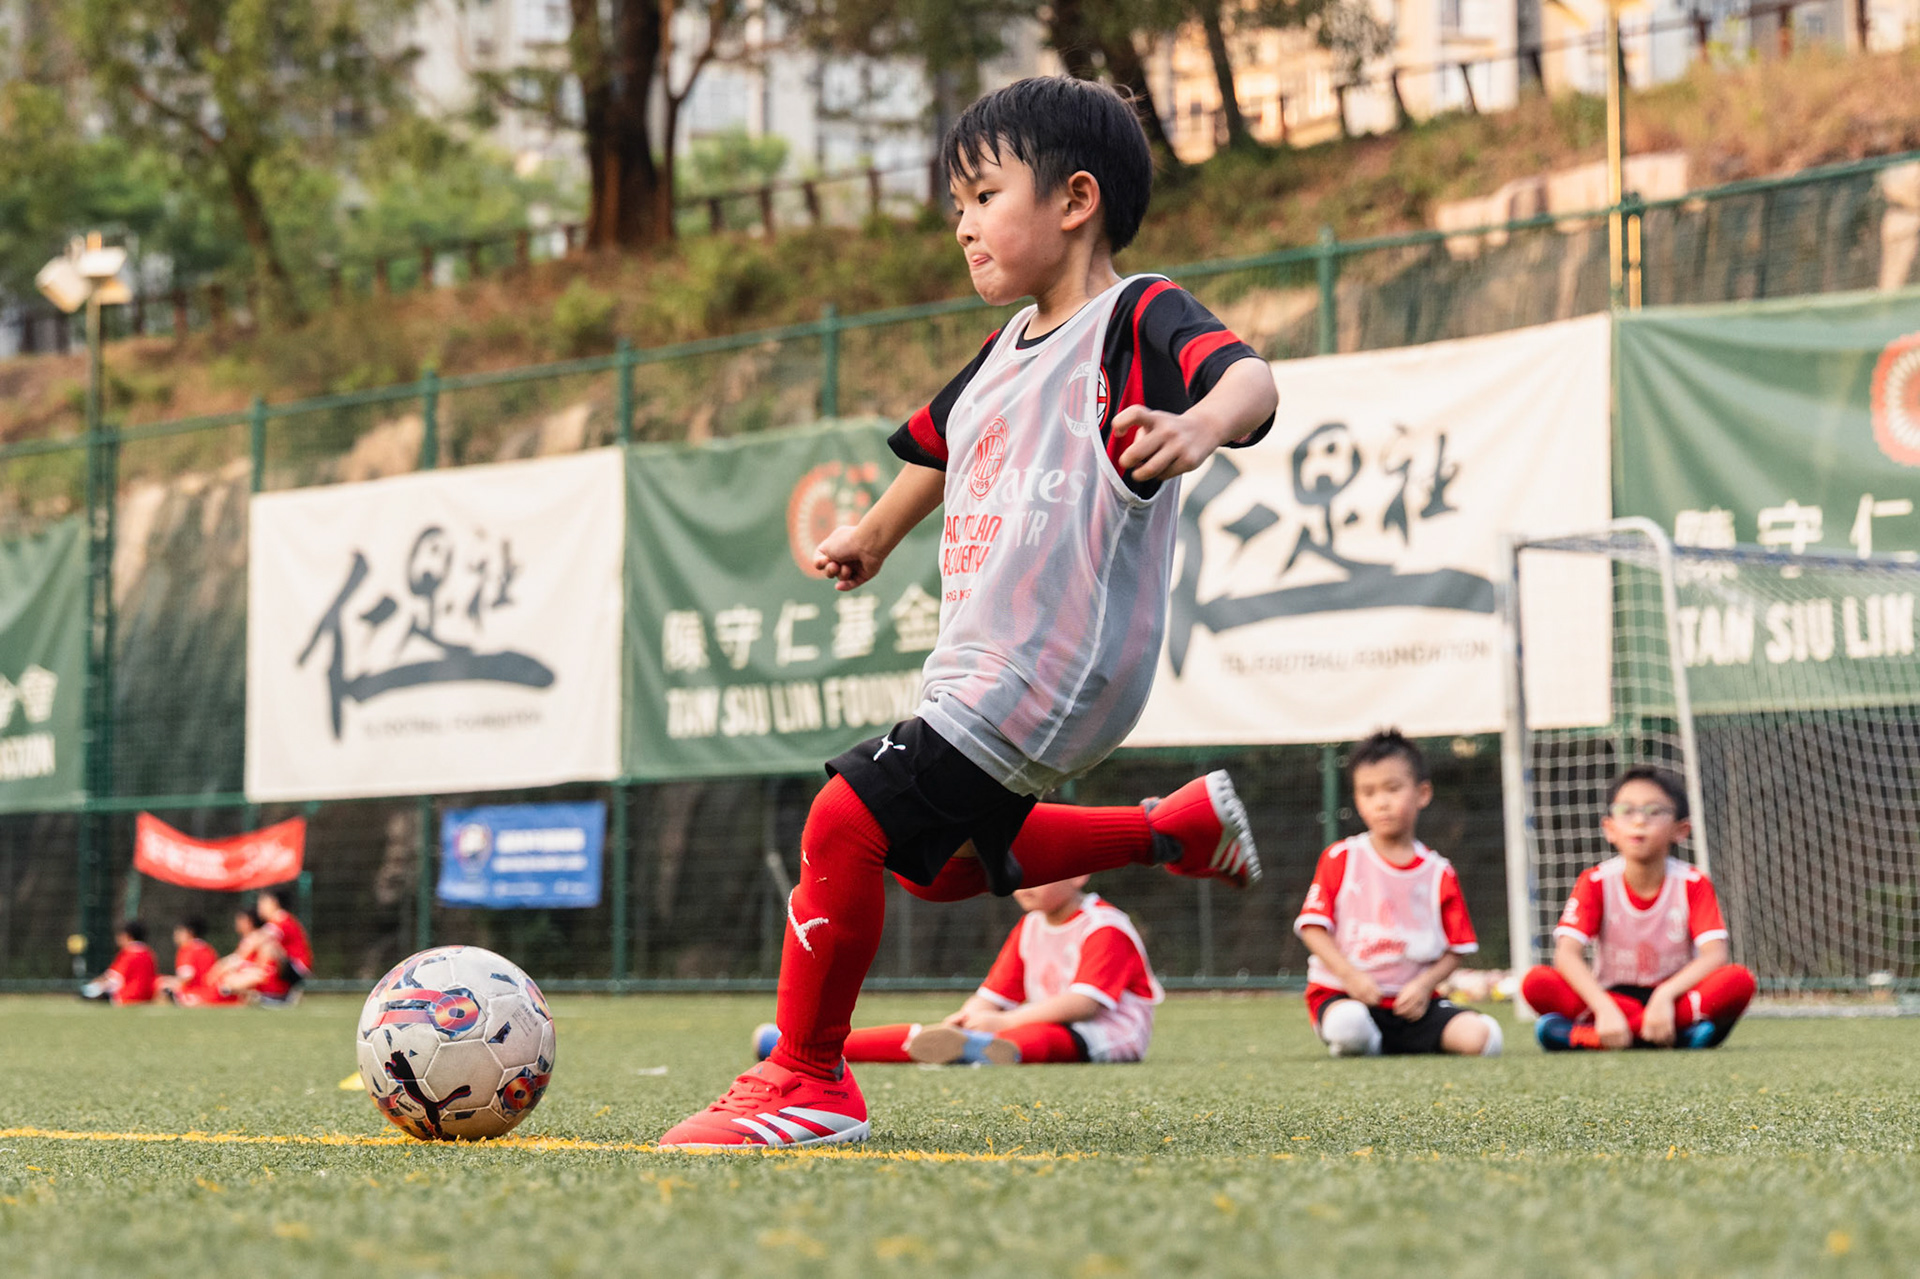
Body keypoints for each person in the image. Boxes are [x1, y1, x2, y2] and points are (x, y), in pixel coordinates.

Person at [659, 76, 1277, 1148]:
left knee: (844, 819)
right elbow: (941, 448)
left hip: (1050, 661)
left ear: (1075, 198)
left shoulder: (1131, 317)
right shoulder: (1002, 354)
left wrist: (1204, 425)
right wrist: (873, 533)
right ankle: (1170, 829)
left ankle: (807, 1079)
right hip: (992, 664)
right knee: (940, 864)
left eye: (983, 194)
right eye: (957, 204)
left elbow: (1251, 377)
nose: (962, 223)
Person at [752, 875, 1161, 1067]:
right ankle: (795, 1044)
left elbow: (1084, 1003)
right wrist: (967, 1017)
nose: (1022, 879)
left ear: (1079, 873)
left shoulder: (1105, 926)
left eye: (1039, 868)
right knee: (942, 1036)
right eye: (1016, 866)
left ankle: (982, 1049)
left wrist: (1002, 1021)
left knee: (1035, 1036)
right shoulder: (1031, 925)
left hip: (1108, 1036)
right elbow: (993, 993)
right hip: (1026, 1026)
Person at [1293, 731, 1500, 1058]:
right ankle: (1372, 1042)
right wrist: (1351, 977)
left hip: (1414, 1007)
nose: (1381, 801)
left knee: (1485, 1040)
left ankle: (1389, 1042)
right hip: (1346, 995)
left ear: (1422, 793)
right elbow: (1313, 928)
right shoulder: (1341, 858)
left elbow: (1456, 949)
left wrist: (1423, 986)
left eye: (1392, 788)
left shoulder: (1439, 872)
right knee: (1349, 1026)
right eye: (1368, 792)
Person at [1522, 765, 1757, 1051]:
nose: (1639, 822)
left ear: (1681, 830)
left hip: (1674, 998)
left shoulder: (1693, 883)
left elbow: (1715, 955)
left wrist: (1664, 996)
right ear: (1609, 828)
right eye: (1627, 810)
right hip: (1610, 998)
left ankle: (1587, 1037)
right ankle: (1675, 1037)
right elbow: (1566, 955)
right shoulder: (1595, 881)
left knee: (1738, 981)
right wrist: (1604, 1007)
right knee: (1536, 982)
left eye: (1654, 811)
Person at [207, 907, 297, 1004]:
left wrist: (218, 971)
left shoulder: (255, 938)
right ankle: (250, 995)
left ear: (249, 921)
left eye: (240, 919)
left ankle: (263, 996)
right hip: (259, 976)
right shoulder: (254, 938)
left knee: (229, 980)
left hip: (265, 979)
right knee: (228, 979)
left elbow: (240, 960)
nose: (237, 923)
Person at [159, 915, 234, 1006]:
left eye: (179, 931)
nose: (176, 935)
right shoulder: (208, 948)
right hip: (215, 991)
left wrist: (170, 982)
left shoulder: (187, 949)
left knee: (162, 985)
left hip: (197, 993)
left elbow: (187, 975)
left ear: (189, 932)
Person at [79, 920, 158, 1005]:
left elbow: (114, 979)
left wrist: (94, 986)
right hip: (148, 996)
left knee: (89, 991)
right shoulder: (149, 953)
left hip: (126, 996)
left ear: (128, 936)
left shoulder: (128, 953)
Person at [256, 886, 313, 982]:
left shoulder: (282, 919)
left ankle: (260, 978)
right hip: (290, 964)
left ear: (273, 902)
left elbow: (258, 939)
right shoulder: (282, 919)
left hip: (298, 967)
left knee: (268, 947)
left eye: (262, 902)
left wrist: (239, 959)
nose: (259, 907)